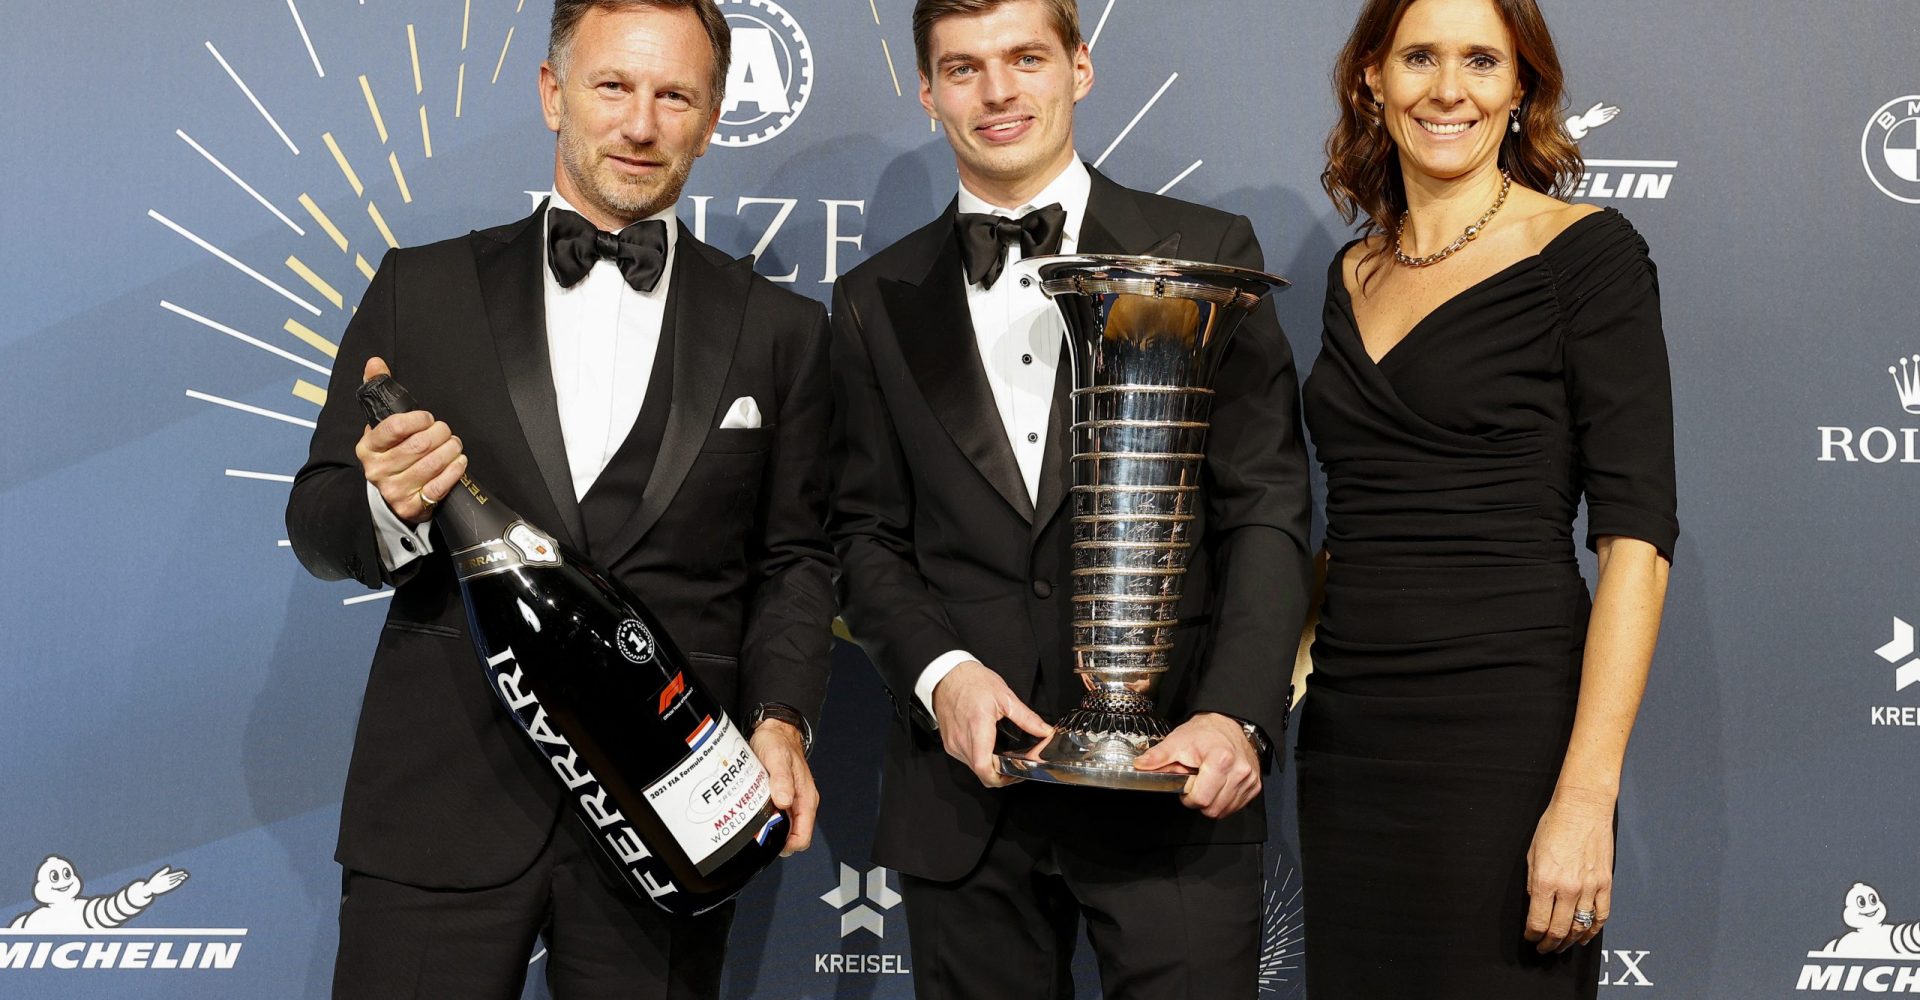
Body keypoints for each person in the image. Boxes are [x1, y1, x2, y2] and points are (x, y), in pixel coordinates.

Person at [285, 2, 835, 996]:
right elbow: (318, 520)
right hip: (442, 796)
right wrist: (388, 502)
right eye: (612, 86)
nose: (640, 123)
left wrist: (782, 719)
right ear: (553, 94)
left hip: (671, 803)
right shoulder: (422, 289)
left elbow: (796, 557)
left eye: (675, 95)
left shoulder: (781, 328)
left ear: (712, 120)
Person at [829, 1, 1313, 995]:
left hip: (1176, 782)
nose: (997, 92)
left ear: (1080, 67)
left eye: (1025, 58)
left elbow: (1265, 509)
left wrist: (1236, 716)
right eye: (962, 68)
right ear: (926, 92)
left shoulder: (1204, 246)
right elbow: (863, 536)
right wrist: (942, 675)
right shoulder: (871, 298)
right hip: (968, 799)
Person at [1297, 0, 1677, 995]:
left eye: (1480, 60)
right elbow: (1359, 518)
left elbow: (1636, 539)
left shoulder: (1588, 258)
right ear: (1371, 77)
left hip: (1506, 739)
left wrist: (1586, 798)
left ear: (1521, 87)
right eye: (1419, 56)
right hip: (1351, 743)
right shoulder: (1350, 272)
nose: (1448, 89)